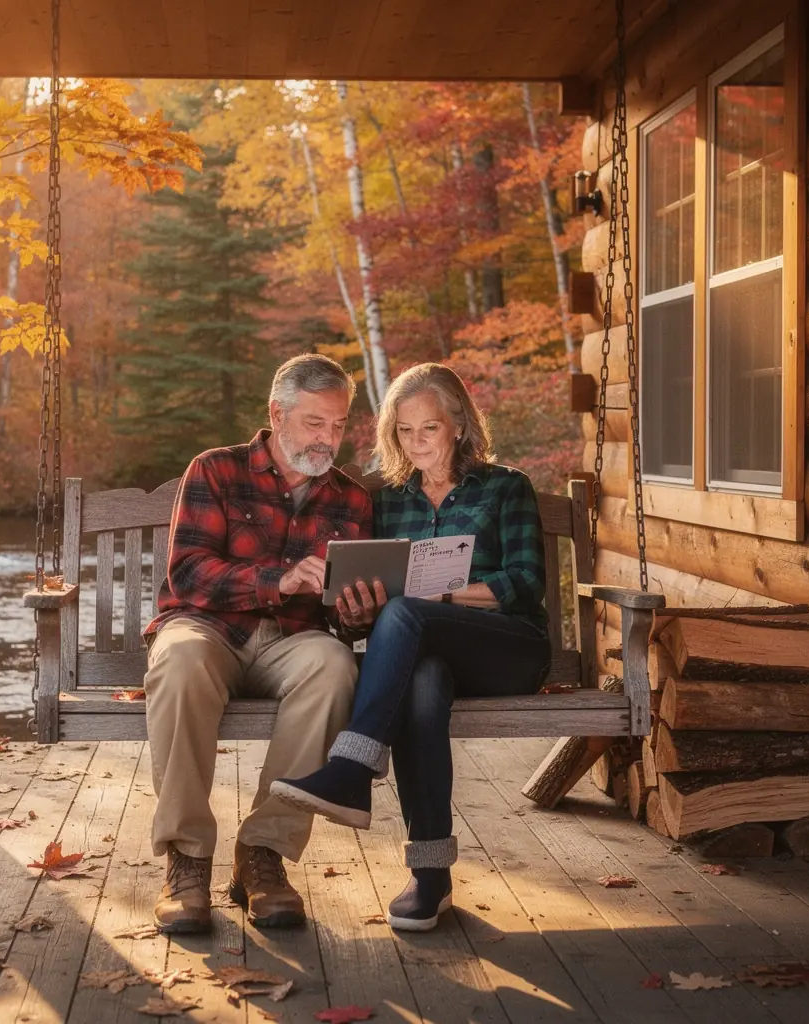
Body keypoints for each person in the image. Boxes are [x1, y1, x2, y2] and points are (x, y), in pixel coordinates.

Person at [272, 362, 552, 932]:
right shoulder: (389, 501)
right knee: (421, 681)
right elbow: (374, 608)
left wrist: (438, 598)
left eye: (430, 428)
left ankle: (352, 767)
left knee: (407, 611)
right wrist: (357, 611)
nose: (416, 441)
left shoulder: (505, 487)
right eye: (404, 430)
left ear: (458, 425)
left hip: (508, 650)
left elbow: (526, 583)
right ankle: (430, 875)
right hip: (429, 656)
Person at [142, 353, 383, 934]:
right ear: (278, 415)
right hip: (208, 627)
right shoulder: (216, 470)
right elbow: (189, 573)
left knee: (334, 666)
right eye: (314, 423)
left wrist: (358, 614)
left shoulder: (351, 500)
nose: (328, 439)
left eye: (338, 425)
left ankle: (262, 854)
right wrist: (278, 580)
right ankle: (186, 858)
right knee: (179, 661)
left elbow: (343, 620)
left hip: (293, 640)